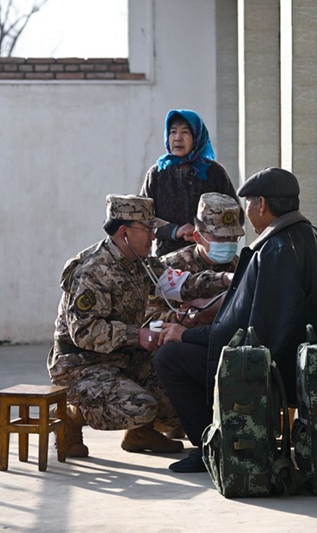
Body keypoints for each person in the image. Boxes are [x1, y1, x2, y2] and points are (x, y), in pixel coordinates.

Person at [152, 167, 317, 473]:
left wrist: (183, 334)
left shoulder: (274, 250)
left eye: (250, 205)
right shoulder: (316, 238)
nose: (250, 214)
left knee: (171, 357)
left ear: (263, 204)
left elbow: (239, 331)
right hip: (312, 362)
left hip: (274, 368)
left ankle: (213, 445)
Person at [47, 194, 231, 458]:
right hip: (81, 365)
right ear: (124, 232)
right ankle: (71, 414)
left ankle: (139, 433)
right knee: (140, 406)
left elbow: (181, 284)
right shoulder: (93, 270)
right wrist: (138, 334)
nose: (153, 237)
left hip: (122, 357)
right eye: (147, 230)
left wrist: (225, 279)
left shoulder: (140, 263)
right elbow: (84, 332)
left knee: (177, 387)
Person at [140, 109, 238, 257]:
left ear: (197, 136)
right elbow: (142, 220)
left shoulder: (214, 173)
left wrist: (204, 233)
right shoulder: (157, 174)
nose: (178, 138)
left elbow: (236, 217)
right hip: (167, 262)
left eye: (185, 132)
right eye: (173, 132)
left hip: (208, 259)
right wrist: (175, 231)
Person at [145, 192, 245, 327]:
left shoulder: (241, 268)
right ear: (198, 237)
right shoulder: (170, 267)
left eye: (233, 238)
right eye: (220, 237)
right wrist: (184, 318)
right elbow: (149, 318)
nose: (228, 243)